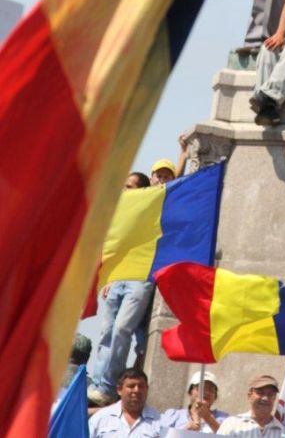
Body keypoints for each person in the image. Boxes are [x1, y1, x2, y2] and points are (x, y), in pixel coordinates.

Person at [87, 177, 156, 406]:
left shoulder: (150, 209)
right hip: (117, 278)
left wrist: (185, 155)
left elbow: (168, 183)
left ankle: (108, 386)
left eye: (130, 187)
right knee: (106, 331)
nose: (124, 190)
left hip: (140, 278)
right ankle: (99, 384)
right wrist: (109, 276)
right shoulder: (118, 214)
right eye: (124, 185)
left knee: (121, 329)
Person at [89, 368, 160, 437]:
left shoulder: (159, 422)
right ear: (119, 390)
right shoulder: (100, 418)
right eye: (131, 386)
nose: (137, 390)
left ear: (147, 389)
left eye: (141, 386)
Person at [217, 374, 285, 438]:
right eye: (260, 393)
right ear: (249, 395)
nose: (265, 398)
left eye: (270, 394)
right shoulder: (232, 424)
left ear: (274, 398)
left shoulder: (284, 434)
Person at [161, 370, 229, 433]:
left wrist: (209, 419)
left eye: (211, 389)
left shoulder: (224, 419)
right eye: (201, 388)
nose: (206, 392)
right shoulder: (174, 416)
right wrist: (184, 432)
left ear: (215, 396)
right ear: (190, 392)